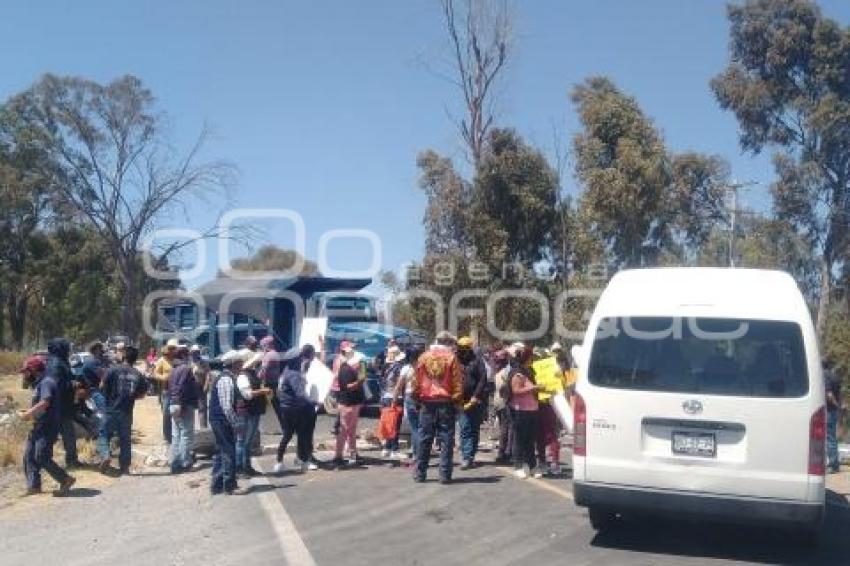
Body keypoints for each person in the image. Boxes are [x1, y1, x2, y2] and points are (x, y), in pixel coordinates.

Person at [19, 356, 76, 496]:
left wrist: (28, 413)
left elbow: (45, 402)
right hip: (38, 426)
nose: (25, 375)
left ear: (34, 370)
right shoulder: (39, 383)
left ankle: (65, 479)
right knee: (29, 456)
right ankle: (34, 486)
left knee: (41, 456)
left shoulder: (46, 382)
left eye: (26, 372)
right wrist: (30, 413)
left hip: (47, 427)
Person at [412, 331, 462, 484]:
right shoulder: (451, 358)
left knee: (424, 437)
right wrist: (457, 401)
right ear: (447, 343)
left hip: (427, 403)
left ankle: (420, 473)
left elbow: (415, 382)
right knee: (446, 439)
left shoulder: (423, 357)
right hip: (445, 402)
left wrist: (416, 399)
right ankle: (444, 475)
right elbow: (457, 383)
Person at [98, 346, 148, 475]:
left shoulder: (112, 370)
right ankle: (125, 467)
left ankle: (105, 456)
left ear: (124, 357)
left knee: (104, 434)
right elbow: (142, 394)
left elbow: (102, 385)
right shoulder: (138, 374)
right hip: (126, 411)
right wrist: (130, 396)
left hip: (110, 409)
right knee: (125, 439)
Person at [274, 347, 315, 473]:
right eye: (301, 357)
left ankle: (280, 462)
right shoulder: (294, 374)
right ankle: (303, 461)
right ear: (296, 359)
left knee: (288, 434)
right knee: (300, 434)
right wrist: (312, 401)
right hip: (294, 408)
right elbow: (300, 394)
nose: (303, 359)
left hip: (286, 407)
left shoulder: (286, 371)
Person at [209, 351, 244, 495]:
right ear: (234, 364)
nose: (242, 365)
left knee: (221, 451)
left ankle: (216, 485)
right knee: (229, 452)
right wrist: (236, 424)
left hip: (220, 419)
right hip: (222, 420)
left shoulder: (227, 378)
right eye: (240, 363)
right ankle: (228, 485)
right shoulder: (226, 380)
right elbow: (227, 406)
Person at [47, 338, 83, 468]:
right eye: (65, 347)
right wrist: (73, 384)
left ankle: (69, 459)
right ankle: (66, 460)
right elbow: (57, 385)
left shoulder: (60, 361)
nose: (68, 350)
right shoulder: (56, 363)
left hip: (62, 405)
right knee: (65, 434)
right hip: (58, 406)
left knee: (65, 434)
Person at [236, 352, 272, 477]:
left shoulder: (251, 374)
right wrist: (263, 391)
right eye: (255, 362)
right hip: (246, 412)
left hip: (252, 412)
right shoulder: (243, 376)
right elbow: (248, 394)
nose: (257, 364)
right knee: (243, 441)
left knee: (247, 441)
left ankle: (246, 467)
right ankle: (241, 468)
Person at [533, 346, 566, 476]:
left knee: (546, 435)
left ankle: (549, 463)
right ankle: (549, 462)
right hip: (544, 404)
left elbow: (561, 385)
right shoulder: (537, 368)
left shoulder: (553, 368)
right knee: (547, 435)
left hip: (547, 404)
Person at [457, 336, 488, 470]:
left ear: (470, 348)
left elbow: (482, 379)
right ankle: (466, 457)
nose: (463, 351)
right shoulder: (455, 361)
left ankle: (471, 454)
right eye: (461, 348)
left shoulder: (477, 361)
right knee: (465, 428)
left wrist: (475, 396)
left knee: (474, 429)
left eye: (466, 348)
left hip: (476, 401)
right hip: (460, 400)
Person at [334, 341, 366, 467]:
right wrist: (359, 382)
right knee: (345, 430)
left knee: (350, 430)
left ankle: (351, 455)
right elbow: (347, 386)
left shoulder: (346, 367)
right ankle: (339, 456)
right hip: (348, 403)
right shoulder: (345, 369)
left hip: (350, 402)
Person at [510, 345, 539, 479]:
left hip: (532, 409)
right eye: (531, 357)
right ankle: (518, 466)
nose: (532, 359)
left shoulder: (529, 371)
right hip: (520, 410)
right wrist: (533, 388)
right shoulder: (517, 373)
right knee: (520, 439)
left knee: (530, 439)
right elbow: (516, 391)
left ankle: (532, 465)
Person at [168, 353, 199, 474]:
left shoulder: (173, 370)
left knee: (176, 435)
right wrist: (183, 404)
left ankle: (175, 463)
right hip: (183, 404)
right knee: (185, 434)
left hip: (173, 403)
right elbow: (182, 388)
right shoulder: (186, 369)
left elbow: (170, 388)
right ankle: (184, 463)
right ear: (185, 357)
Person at [393, 347, 423, 467]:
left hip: (410, 398)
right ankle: (421, 454)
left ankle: (417, 456)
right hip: (422, 399)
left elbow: (399, 385)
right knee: (421, 428)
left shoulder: (406, 368)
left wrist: (394, 400)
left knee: (415, 429)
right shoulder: (423, 367)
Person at [380, 345, 406, 459]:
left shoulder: (385, 367)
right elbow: (401, 384)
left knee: (388, 423)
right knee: (396, 424)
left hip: (385, 396)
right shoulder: (399, 368)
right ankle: (394, 449)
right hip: (396, 397)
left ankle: (386, 447)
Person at [153, 339, 178, 445]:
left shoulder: (177, 360)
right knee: (166, 414)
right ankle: (167, 436)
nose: (173, 350)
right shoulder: (161, 361)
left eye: (174, 348)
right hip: (166, 391)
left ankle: (174, 435)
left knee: (176, 413)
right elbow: (155, 374)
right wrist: (165, 377)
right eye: (171, 348)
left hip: (177, 391)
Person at [491, 348, 513, 464]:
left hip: (498, 402)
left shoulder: (497, 371)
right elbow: (503, 388)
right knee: (506, 428)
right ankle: (504, 453)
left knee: (504, 428)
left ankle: (504, 452)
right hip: (504, 403)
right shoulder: (505, 372)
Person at [825, 359, 842, 473]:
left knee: (829, 438)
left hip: (829, 410)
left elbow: (829, 395)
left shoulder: (825, 376)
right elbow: (838, 394)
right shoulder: (835, 376)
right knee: (832, 437)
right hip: (834, 411)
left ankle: (833, 464)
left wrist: (836, 406)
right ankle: (834, 463)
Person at [190, 345, 211, 429]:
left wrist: (206, 385)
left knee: (202, 407)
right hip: (190, 389)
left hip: (201, 387)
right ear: (191, 353)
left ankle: (203, 427)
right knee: (190, 408)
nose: (196, 353)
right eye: (194, 352)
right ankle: (191, 427)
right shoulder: (189, 363)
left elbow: (208, 374)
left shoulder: (204, 362)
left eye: (197, 352)